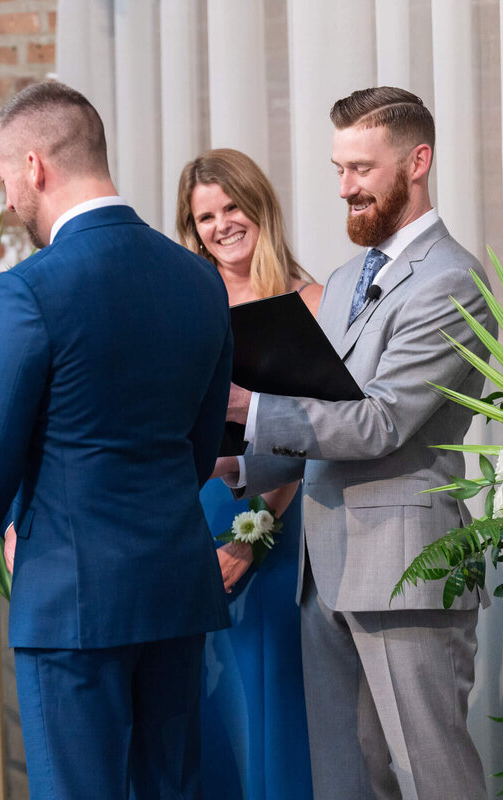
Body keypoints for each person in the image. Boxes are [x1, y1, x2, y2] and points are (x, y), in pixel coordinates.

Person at [0, 81, 232, 799]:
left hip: (72, 598)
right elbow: (201, 440)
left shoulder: (29, 291)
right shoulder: (197, 280)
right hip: (175, 588)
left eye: (4, 181)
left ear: (34, 167)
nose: (7, 202)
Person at [222, 87, 493, 799]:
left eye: (362, 169)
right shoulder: (342, 281)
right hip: (325, 569)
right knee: (344, 781)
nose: (345, 187)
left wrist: (251, 407)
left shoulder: (453, 279)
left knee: (435, 778)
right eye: (338, 168)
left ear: (418, 161)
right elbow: (322, 421)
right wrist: (233, 462)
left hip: (408, 573)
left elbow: (379, 422)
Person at [175, 148, 316, 800]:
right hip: (193, 514)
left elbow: (316, 435)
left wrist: (250, 537)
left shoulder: (308, 299)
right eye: (206, 216)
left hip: (274, 520)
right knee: (198, 707)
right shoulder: (188, 307)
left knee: (266, 698)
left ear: (259, 205)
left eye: (232, 206)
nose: (222, 224)